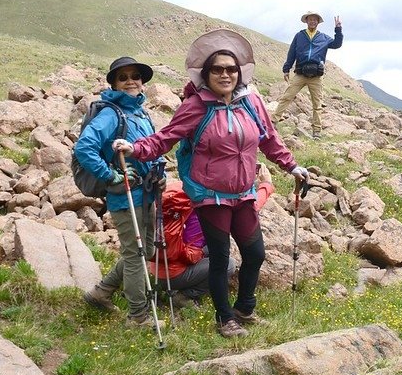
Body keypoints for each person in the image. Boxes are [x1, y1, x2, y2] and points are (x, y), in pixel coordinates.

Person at [113, 29, 309, 338]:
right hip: (209, 196)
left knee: (255, 253)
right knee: (219, 257)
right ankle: (224, 318)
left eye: (231, 69)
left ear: (239, 72)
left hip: (243, 193)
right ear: (207, 74)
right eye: (217, 69)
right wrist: (135, 149)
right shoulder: (196, 106)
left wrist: (292, 166)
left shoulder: (251, 102)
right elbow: (167, 138)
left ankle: (245, 308)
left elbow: (269, 139)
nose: (225, 74)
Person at [77, 57, 165, 328]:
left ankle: (101, 292)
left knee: (144, 250)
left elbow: (152, 150)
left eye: (135, 76)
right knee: (136, 254)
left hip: (147, 193)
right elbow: (84, 148)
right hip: (125, 195)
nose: (130, 81)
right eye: (123, 77)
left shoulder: (140, 113)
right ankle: (138, 316)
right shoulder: (110, 114)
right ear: (114, 83)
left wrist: (161, 176)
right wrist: (110, 174)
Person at [152, 165, 275, 308]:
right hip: (175, 275)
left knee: (214, 245)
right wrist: (266, 185)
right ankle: (186, 295)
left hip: (157, 266)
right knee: (227, 264)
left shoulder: (182, 192)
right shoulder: (210, 206)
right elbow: (247, 210)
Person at [273, 11, 343, 139]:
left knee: (317, 104)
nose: (312, 21)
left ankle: (316, 131)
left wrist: (338, 29)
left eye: (315, 20)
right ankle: (273, 122)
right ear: (306, 21)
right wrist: (286, 69)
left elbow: (337, 44)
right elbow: (292, 53)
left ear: (318, 22)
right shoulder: (299, 36)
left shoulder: (324, 38)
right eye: (310, 19)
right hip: (300, 74)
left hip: (316, 76)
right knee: (287, 96)